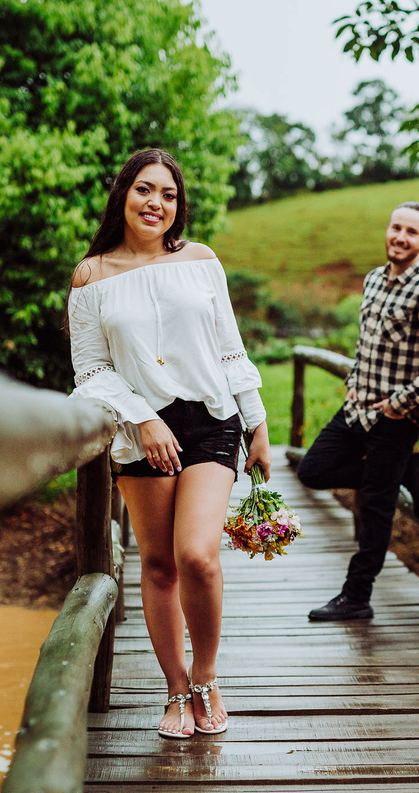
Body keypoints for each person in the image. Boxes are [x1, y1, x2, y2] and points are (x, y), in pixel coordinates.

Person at [66, 149, 271, 739]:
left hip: (211, 421)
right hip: (141, 433)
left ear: (178, 205)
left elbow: (230, 349)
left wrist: (255, 423)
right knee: (158, 565)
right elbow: (91, 372)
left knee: (198, 556)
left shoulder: (202, 261)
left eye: (169, 195)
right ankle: (175, 691)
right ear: (123, 195)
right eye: (144, 190)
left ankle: (207, 680)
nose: (156, 203)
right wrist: (141, 418)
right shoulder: (91, 276)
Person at [297, 201, 419, 621]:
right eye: (396, 228)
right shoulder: (373, 280)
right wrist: (354, 384)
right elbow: (366, 345)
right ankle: (407, 470)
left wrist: (401, 403)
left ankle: (357, 597)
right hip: (356, 408)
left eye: (411, 232)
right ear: (388, 231)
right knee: (312, 470)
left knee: (376, 507)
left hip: (395, 419)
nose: (400, 237)